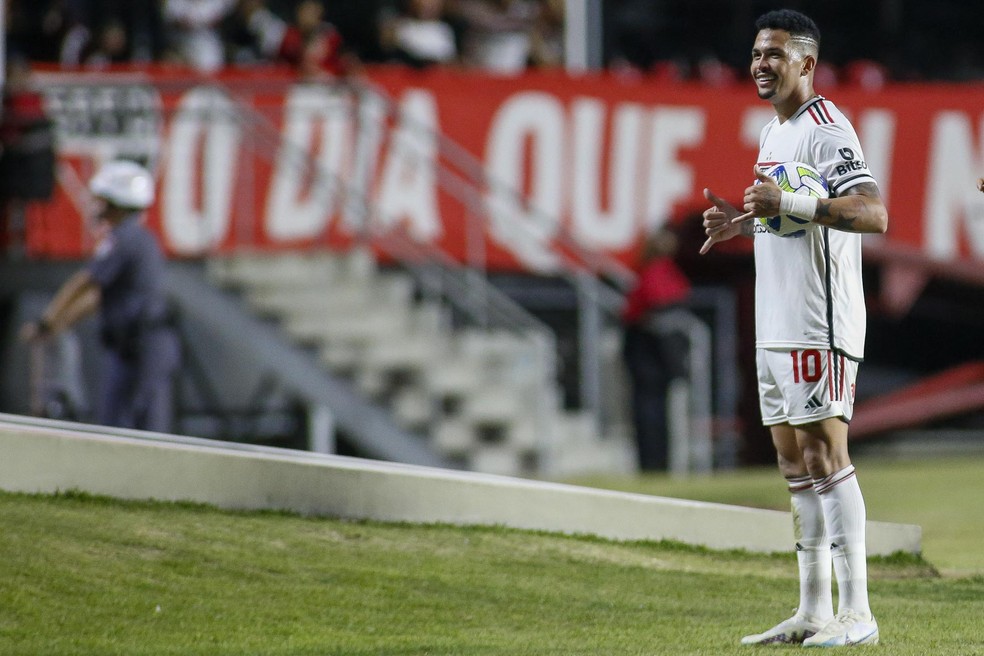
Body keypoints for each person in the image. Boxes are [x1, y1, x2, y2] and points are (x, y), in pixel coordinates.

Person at [700, 9, 888, 647]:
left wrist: (788, 203)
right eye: (757, 54)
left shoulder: (828, 128)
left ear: (806, 63)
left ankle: (858, 612)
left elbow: (873, 213)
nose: (761, 64)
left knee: (827, 458)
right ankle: (813, 610)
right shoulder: (772, 132)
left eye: (775, 54)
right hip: (775, 320)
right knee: (794, 464)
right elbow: (787, 220)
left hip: (818, 320)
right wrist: (744, 222)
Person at [20, 160, 180, 433]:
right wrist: (59, 325)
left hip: (141, 348)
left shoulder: (124, 239)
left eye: (103, 199)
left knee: (126, 430)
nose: (96, 206)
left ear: (117, 203)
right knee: (132, 426)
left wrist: (48, 322)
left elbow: (84, 283)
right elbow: (97, 298)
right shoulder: (137, 239)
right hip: (139, 347)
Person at [620, 226, 691, 471]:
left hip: (650, 344)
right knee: (650, 407)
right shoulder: (655, 269)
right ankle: (653, 462)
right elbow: (657, 300)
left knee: (653, 406)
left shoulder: (655, 268)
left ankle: (657, 461)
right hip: (646, 344)